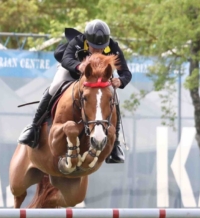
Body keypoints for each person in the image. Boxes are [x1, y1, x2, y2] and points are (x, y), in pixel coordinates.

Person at [18, 19, 131, 164]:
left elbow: (126, 73)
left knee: (115, 97)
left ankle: (115, 145)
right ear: (87, 40)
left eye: (101, 47)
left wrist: (120, 81)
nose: (98, 51)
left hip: (97, 81)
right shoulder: (78, 41)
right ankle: (33, 128)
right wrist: (79, 66)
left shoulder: (112, 46)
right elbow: (66, 59)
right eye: (93, 47)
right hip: (71, 72)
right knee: (54, 86)